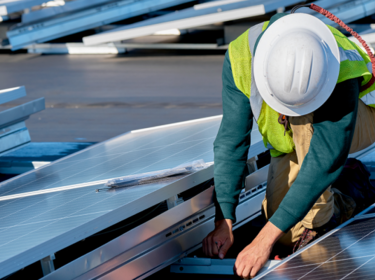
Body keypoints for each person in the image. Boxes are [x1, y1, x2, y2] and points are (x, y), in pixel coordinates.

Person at [202, 5, 375, 279]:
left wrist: (262, 242)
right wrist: (224, 220)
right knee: (283, 232)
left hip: (360, 122)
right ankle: (348, 186)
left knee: (300, 226)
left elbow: (323, 157)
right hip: (293, 139)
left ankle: (332, 208)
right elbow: (230, 143)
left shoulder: (334, 64)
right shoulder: (240, 58)